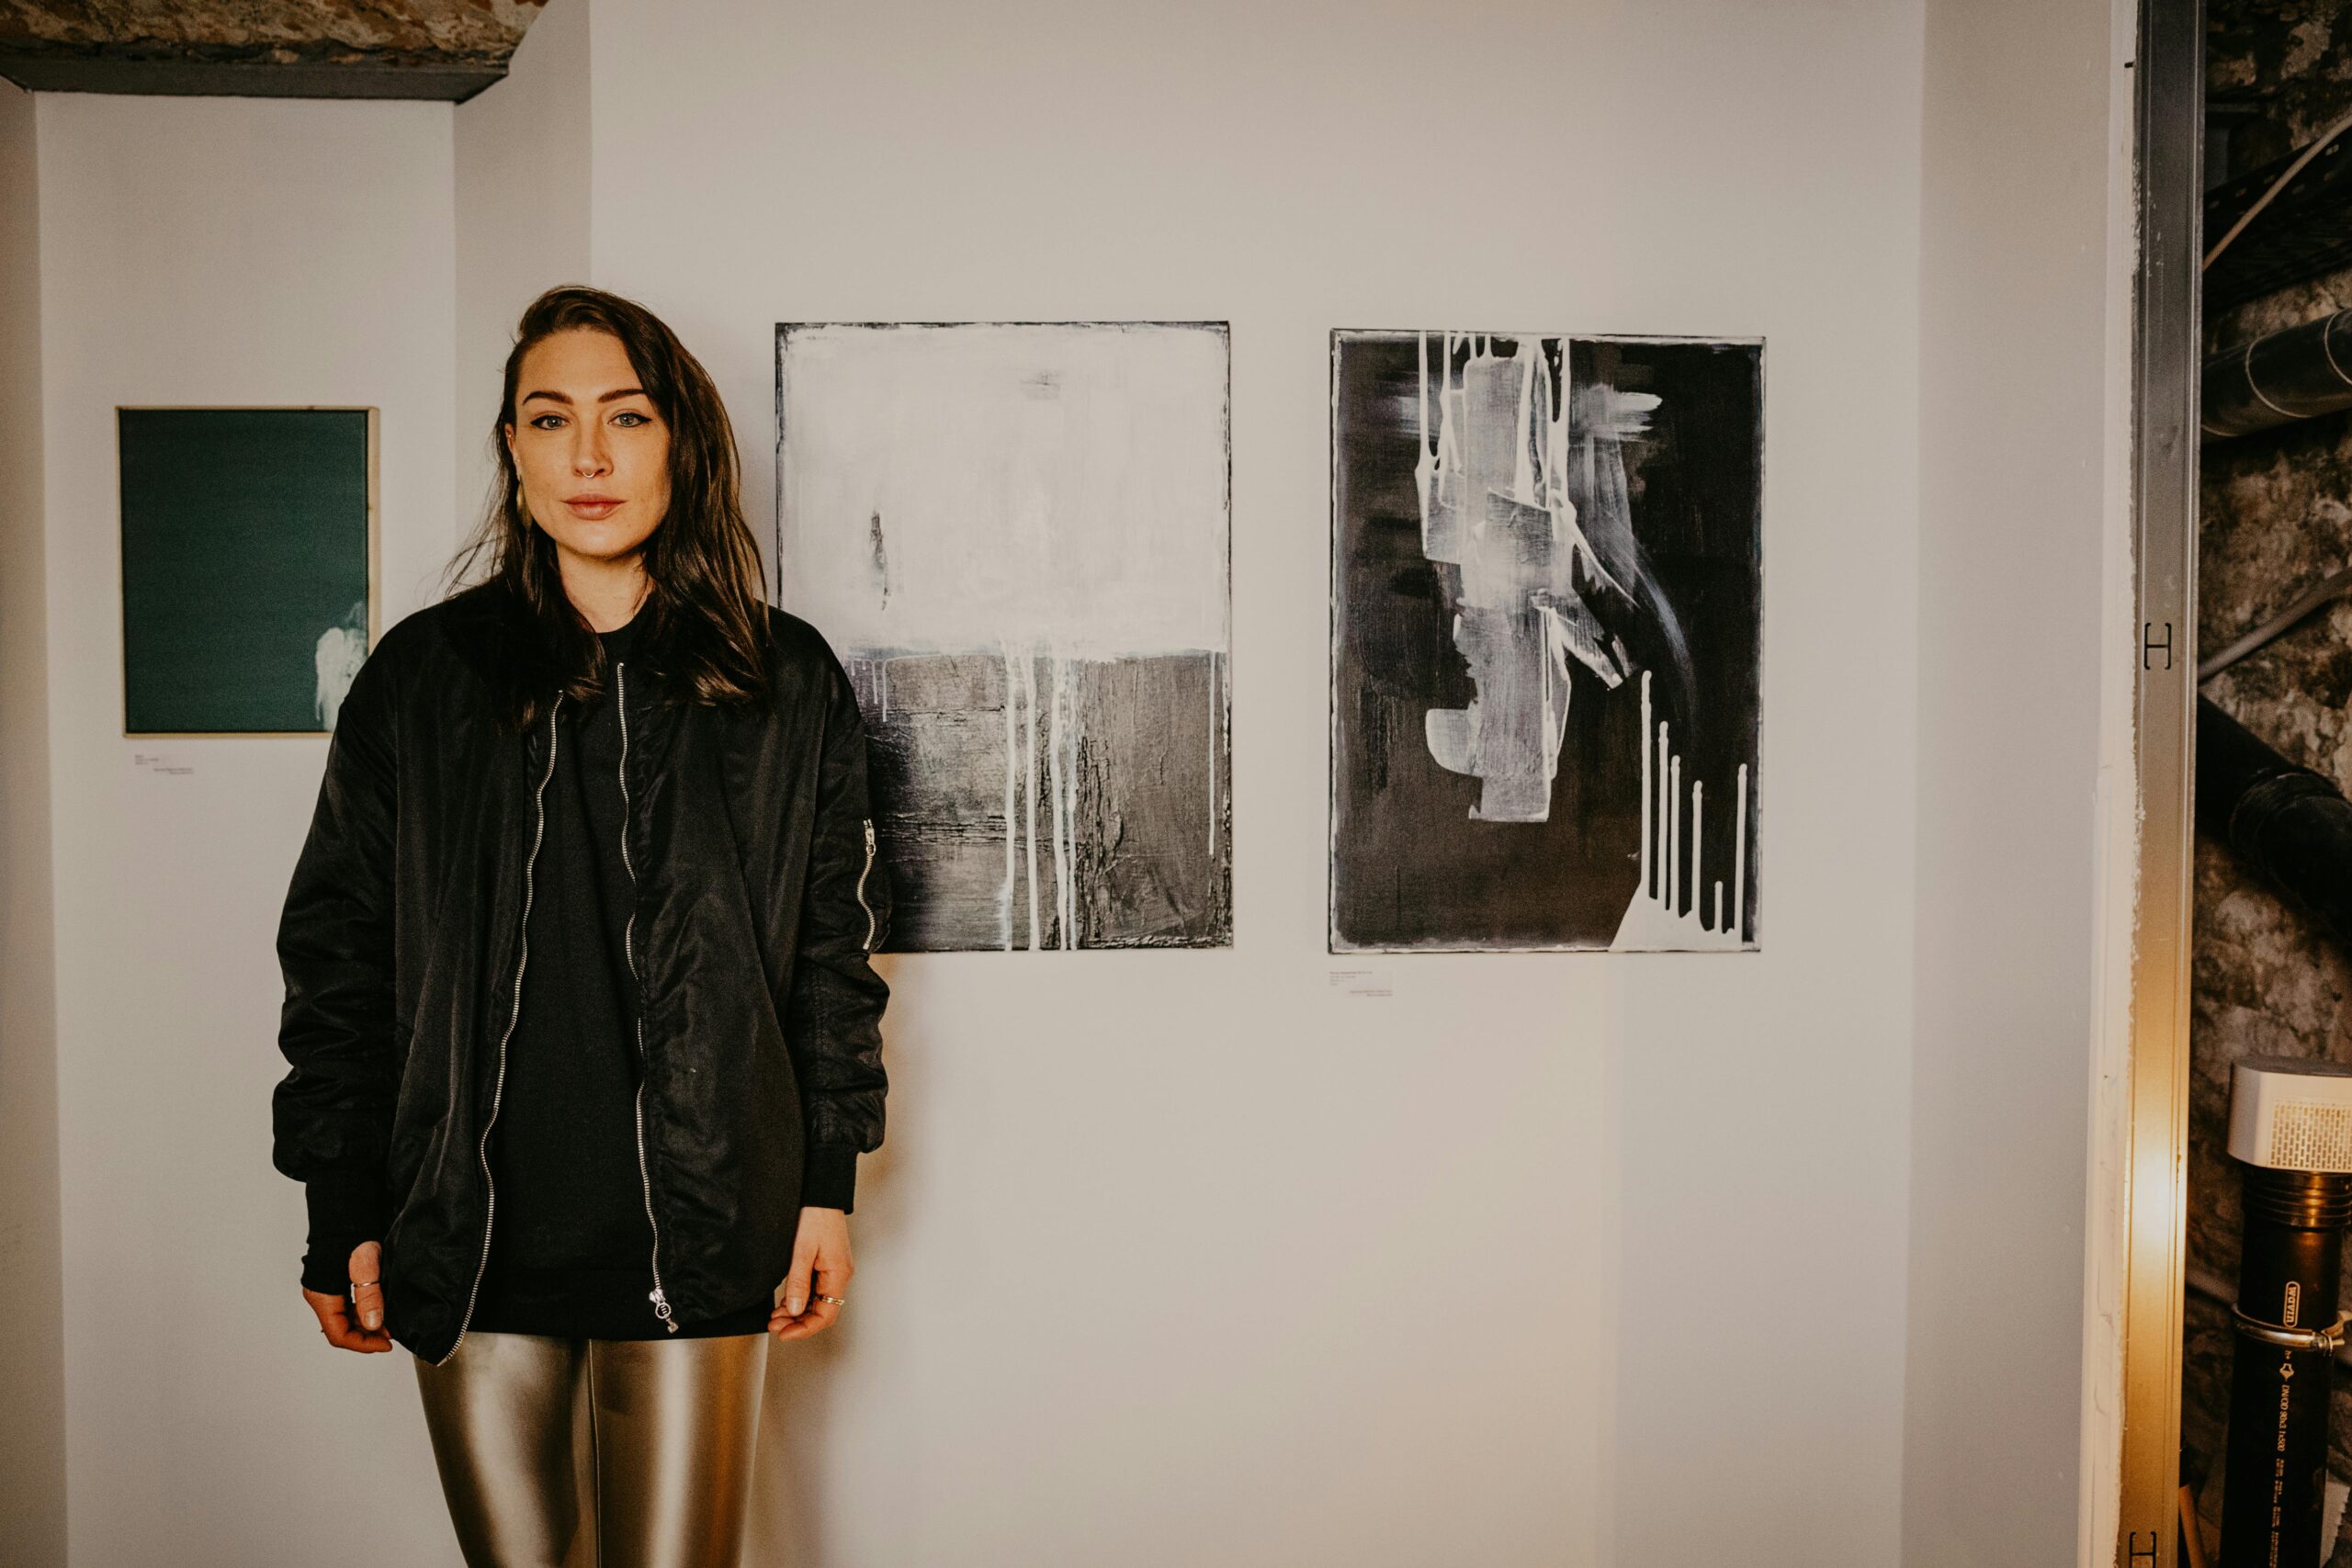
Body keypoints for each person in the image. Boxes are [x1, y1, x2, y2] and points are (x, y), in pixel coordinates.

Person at [269, 284, 891, 1568]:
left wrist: (827, 1186)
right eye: (551, 419)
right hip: (469, 1230)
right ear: (514, 447)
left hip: (708, 1220)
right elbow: (338, 957)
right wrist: (341, 1202)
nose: (589, 456)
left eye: (628, 417)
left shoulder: (783, 681)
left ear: (683, 442)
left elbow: (830, 962)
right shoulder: (423, 678)